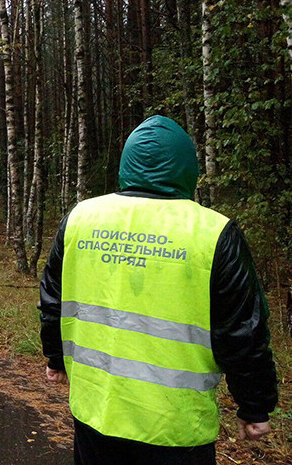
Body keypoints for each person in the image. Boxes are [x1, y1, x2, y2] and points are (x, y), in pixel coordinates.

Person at [39, 116, 277, 464]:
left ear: (127, 163)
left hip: (95, 414)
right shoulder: (213, 232)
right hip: (175, 429)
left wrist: (55, 357)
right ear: (188, 168)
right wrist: (255, 406)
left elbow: (52, 299)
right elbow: (243, 331)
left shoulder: (81, 218)